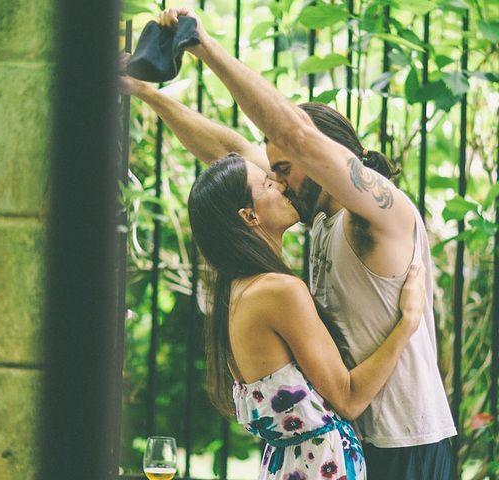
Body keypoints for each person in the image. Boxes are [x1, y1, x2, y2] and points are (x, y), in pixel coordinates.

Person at [121, 7, 457, 478]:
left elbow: (294, 136)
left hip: (408, 444)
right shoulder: (317, 218)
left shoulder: (382, 216)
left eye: (283, 169)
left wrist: (203, 47)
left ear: (325, 162)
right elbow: (229, 153)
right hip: (353, 438)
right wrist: (147, 95)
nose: (276, 181)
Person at [187, 152, 425, 479]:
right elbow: (349, 398)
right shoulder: (279, 291)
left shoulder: (237, 294)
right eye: (269, 184)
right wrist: (407, 323)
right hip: (320, 467)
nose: (282, 185)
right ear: (249, 216)